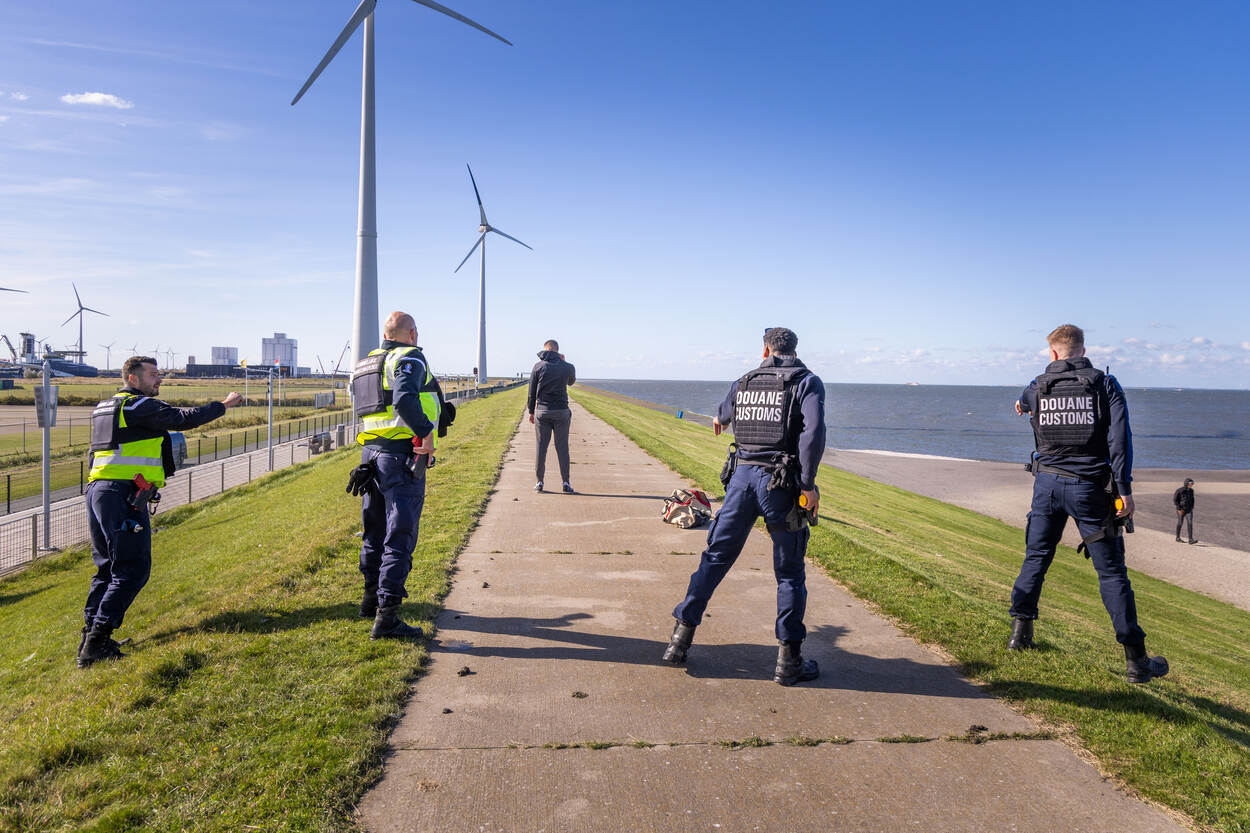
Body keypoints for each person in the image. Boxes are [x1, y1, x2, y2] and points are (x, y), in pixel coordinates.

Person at [662, 327, 826, 686]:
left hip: (741, 481)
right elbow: (813, 433)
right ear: (793, 349)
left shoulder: (745, 380)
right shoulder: (807, 381)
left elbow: (722, 416)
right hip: (781, 486)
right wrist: (809, 486)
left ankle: (679, 640)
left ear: (766, 349)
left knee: (715, 558)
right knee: (789, 573)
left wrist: (723, 420)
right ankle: (789, 661)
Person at [1009, 324, 1168, 684]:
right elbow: (1120, 440)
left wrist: (1022, 402)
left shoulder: (1037, 386)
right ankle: (1136, 662)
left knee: (1036, 557)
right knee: (1111, 573)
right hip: (1091, 490)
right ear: (1082, 350)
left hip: (1046, 486)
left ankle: (1020, 634)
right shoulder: (1105, 384)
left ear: (1053, 353)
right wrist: (1124, 489)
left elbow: (1022, 401)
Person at [78, 356, 242, 668]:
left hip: (100, 491)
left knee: (106, 567)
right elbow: (183, 418)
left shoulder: (106, 407)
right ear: (132, 378)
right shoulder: (137, 405)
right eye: (153, 375)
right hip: (122, 494)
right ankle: (97, 642)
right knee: (132, 568)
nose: (160, 379)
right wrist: (224, 404)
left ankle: (89, 636)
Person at [351, 311, 440, 640]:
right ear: (412, 333)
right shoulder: (410, 357)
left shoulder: (368, 362)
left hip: (370, 457)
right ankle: (386, 618)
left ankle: (369, 600)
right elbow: (404, 399)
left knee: (373, 532)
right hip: (400, 458)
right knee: (399, 537)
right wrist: (426, 433)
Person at [527, 339, 576, 494]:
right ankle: (566, 483)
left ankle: (539, 482)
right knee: (562, 448)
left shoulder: (538, 366)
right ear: (557, 350)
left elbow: (531, 392)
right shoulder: (567, 367)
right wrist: (564, 362)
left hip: (542, 411)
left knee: (541, 448)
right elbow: (571, 382)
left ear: (545, 350)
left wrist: (531, 411)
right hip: (561, 411)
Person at [1173, 478, 1196, 543]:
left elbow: (1192, 499)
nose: (1192, 485)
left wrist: (1192, 507)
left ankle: (1190, 539)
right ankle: (1177, 537)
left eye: (1192, 483)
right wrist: (1179, 509)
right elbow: (1175, 500)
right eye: (1190, 483)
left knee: (1190, 523)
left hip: (1189, 510)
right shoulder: (1180, 490)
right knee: (1180, 523)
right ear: (1187, 483)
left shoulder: (1191, 491)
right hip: (1181, 510)